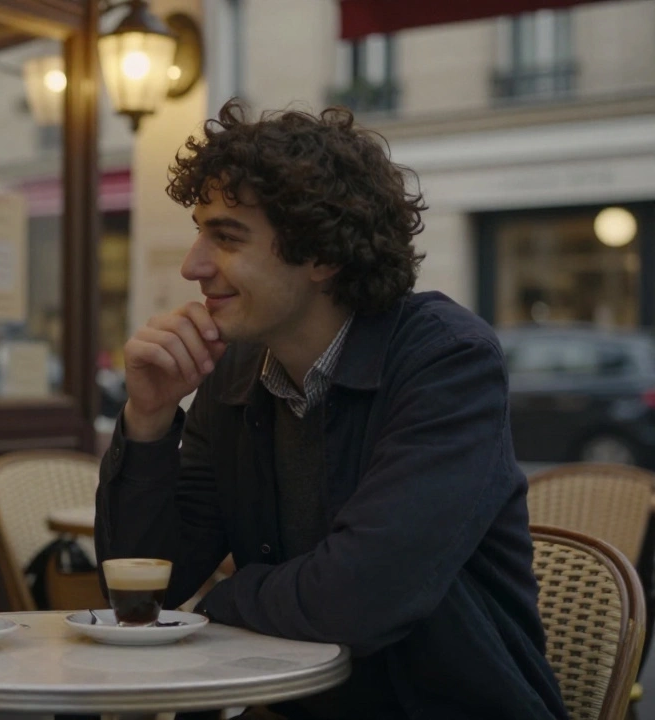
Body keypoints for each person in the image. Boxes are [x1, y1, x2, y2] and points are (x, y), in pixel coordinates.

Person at [95, 100, 568, 719]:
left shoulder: (446, 360)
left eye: (227, 237)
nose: (194, 266)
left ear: (322, 255)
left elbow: (364, 597)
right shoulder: (236, 369)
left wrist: (228, 597)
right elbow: (141, 589)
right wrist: (150, 419)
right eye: (198, 231)